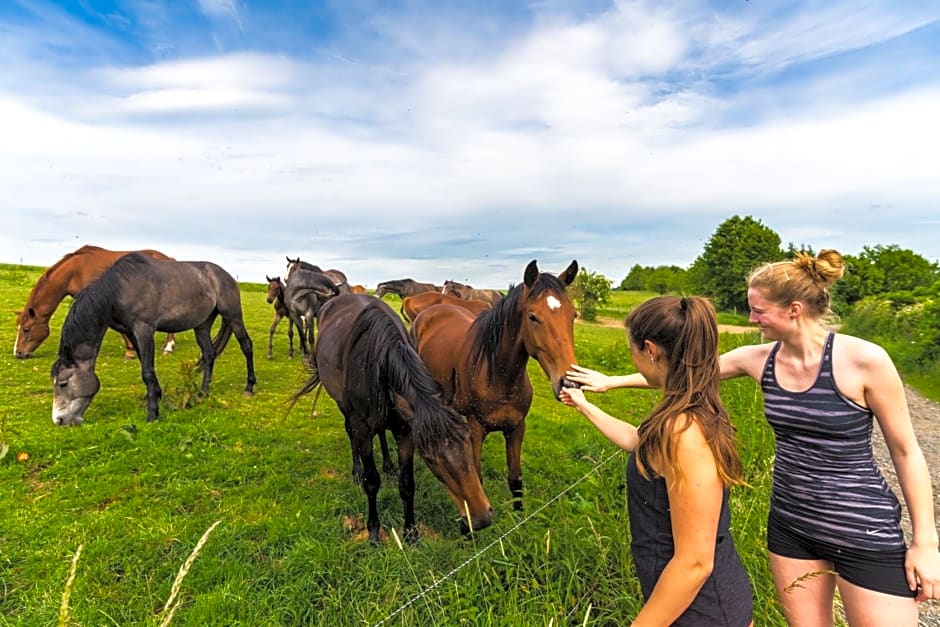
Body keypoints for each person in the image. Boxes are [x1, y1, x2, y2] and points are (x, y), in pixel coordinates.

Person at [567, 249, 940, 626]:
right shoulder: (759, 359)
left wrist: (925, 541)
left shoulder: (865, 361)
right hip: (792, 526)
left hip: (862, 528)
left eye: (758, 310)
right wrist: (611, 382)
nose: (750, 318)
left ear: (793, 309)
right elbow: (686, 369)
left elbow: (907, 452)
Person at [560, 295, 754, 626]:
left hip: (701, 611)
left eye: (632, 350)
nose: (632, 359)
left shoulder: (684, 432)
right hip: (688, 602)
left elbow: (694, 562)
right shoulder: (680, 411)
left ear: (650, 349)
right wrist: (584, 405)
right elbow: (640, 442)